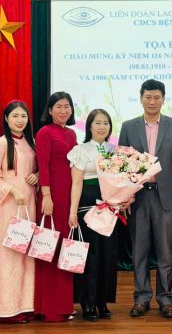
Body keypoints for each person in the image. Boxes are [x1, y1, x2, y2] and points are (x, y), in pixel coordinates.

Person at [118, 79, 172, 319]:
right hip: (138, 198)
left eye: (157, 97)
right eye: (147, 97)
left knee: (166, 252)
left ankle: (166, 299)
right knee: (139, 251)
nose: (152, 101)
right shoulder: (128, 127)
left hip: (164, 197)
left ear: (163, 99)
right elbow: (121, 165)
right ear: (141, 99)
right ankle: (141, 298)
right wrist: (124, 196)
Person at [0, 100, 38, 322]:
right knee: (10, 254)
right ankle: (7, 308)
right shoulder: (0, 144)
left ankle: (26, 305)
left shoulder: (31, 143)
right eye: (15, 116)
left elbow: (37, 170)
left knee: (27, 254)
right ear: (6, 119)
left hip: (30, 204)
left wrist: (38, 176)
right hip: (9, 204)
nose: (20, 120)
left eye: (23, 116)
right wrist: (14, 191)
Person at [68, 109, 118, 321]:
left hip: (109, 206)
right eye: (97, 122)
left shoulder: (115, 151)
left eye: (106, 123)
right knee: (90, 255)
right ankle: (87, 302)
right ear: (89, 126)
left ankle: (102, 301)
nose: (102, 126)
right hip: (87, 205)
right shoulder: (80, 150)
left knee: (107, 254)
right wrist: (73, 211)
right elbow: (76, 183)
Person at [35, 92, 77, 322]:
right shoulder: (44, 132)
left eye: (67, 106)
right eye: (58, 106)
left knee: (64, 250)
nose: (63, 110)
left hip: (69, 196)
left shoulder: (71, 133)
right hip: (52, 197)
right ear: (50, 110)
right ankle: (48, 307)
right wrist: (47, 196)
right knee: (49, 248)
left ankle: (63, 304)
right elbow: (43, 165)